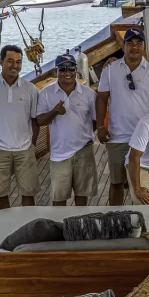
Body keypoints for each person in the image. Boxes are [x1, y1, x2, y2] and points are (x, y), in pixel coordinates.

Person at [96, 28, 149, 205]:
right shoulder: (110, 69)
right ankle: (114, 220)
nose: (134, 47)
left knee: (145, 184)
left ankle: (145, 220)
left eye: (138, 43)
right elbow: (102, 99)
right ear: (124, 45)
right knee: (116, 182)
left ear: (144, 46)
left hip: (145, 138)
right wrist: (101, 127)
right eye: (130, 43)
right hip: (117, 136)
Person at [0, 44, 39, 210]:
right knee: (0, 194)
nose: (15, 65)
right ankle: (5, 228)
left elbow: (35, 120)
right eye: (10, 61)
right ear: (0, 62)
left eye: (18, 62)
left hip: (24, 148)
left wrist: (32, 145)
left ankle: (29, 228)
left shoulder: (30, 89)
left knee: (28, 192)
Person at [35, 53, 97, 206]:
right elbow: (40, 120)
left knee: (82, 195)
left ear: (76, 70)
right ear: (56, 72)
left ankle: (80, 228)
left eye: (71, 68)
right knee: (59, 198)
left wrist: (84, 134)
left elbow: (95, 121)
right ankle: (58, 228)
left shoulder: (89, 94)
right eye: (62, 69)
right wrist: (55, 111)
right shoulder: (47, 94)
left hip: (84, 149)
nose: (67, 72)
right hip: (59, 153)